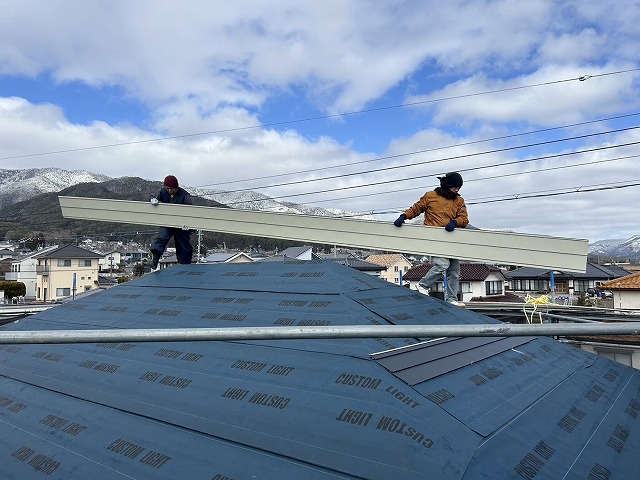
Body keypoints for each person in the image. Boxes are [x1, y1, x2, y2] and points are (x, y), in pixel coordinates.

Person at [393, 172, 469, 305]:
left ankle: (452, 299)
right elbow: (416, 208)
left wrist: (455, 222)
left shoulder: (459, 201)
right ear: (448, 185)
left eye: (459, 187)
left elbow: (464, 218)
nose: (457, 190)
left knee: (454, 271)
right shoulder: (430, 196)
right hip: (434, 238)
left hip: (451, 239)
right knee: (442, 264)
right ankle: (423, 285)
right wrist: (404, 216)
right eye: (455, 187)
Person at [148, 175, 194, 269]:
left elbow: (191, 212)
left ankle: (185, 267)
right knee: (161, 238)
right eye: (167, 188)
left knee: (184, 244)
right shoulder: (163, 191)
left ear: (175, 187)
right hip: (167, 222)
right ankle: (155, 260)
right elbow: (152, 196)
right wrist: (152, 199)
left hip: (181, 225)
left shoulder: (185, 196)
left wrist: (191, 228)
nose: (169, 190)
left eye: (171, 188)